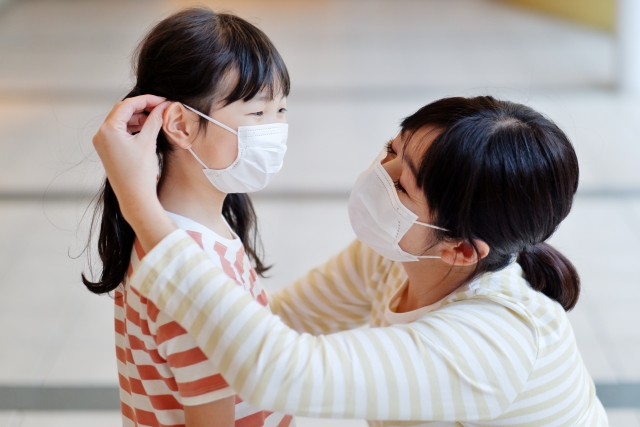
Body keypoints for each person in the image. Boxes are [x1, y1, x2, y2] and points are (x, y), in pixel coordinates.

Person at [93, 94, 609, 426]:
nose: (379, 175)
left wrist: (142, 209)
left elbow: (280, 370)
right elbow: (278, 321)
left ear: (459, 249)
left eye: (402, 186)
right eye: (391, 149)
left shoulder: (490, 344)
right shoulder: (394, 259)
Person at [82, 8, 293, 427]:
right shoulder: (191, 267)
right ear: (180, 124)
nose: (275, 130)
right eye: (257, 114)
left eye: (281, 110)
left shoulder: (171, 232)